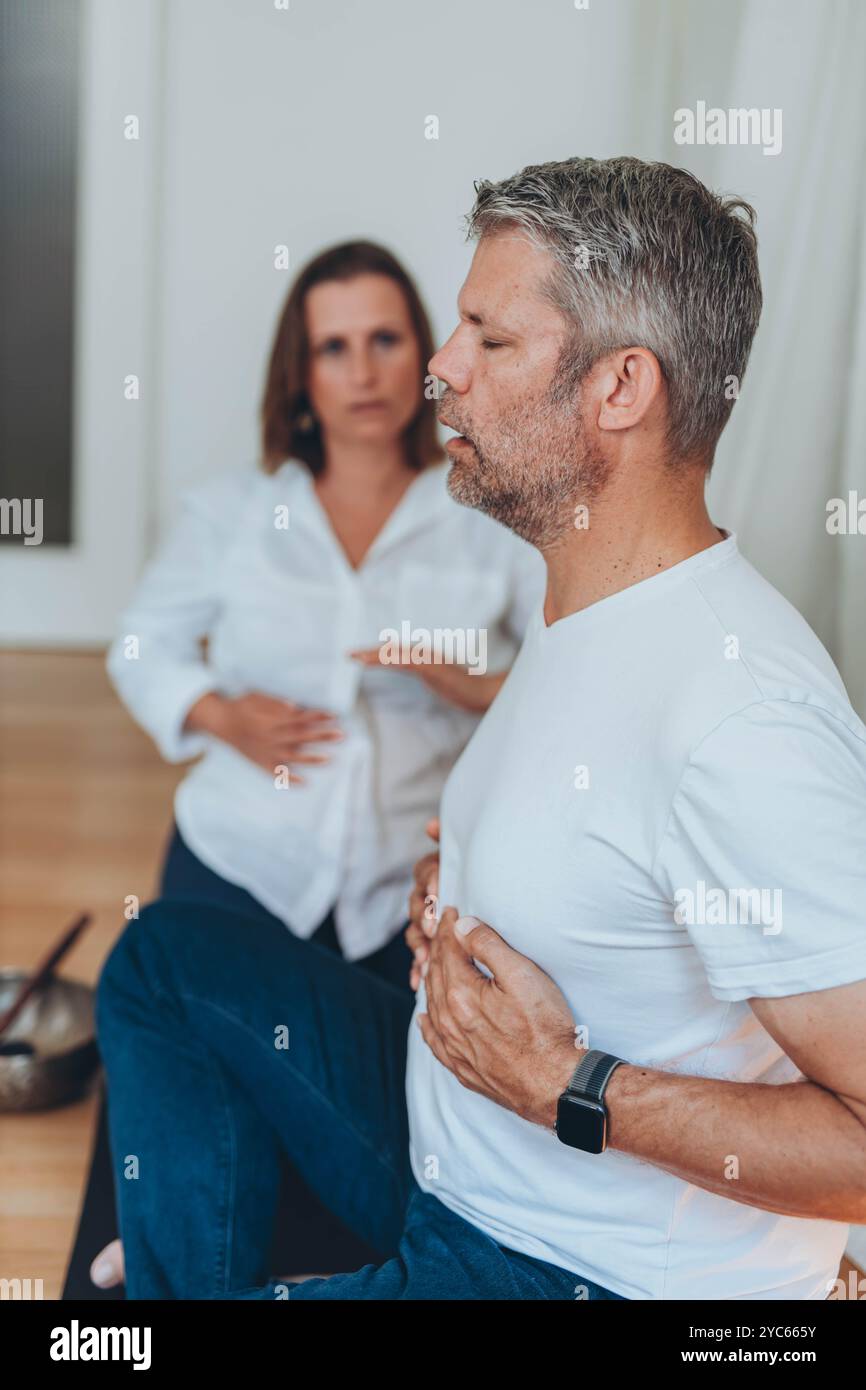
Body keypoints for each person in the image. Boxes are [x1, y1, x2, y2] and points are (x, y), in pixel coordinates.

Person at [96, 157, 866, 1300]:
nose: (438, 370)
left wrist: (570, 1083)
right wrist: (463, 878)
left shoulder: (743, 721)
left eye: (485, 340)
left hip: (555, 1261)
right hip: (444, 1135)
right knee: (163, 956)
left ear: (618, 390)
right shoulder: (579, 598)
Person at [87, 239, 542, 1290]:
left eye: (385, 338)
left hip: (399, 895)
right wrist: (216, 711)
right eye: (331, 347)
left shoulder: (485, 516)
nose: (364, 368)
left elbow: (554, 680)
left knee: (339, 1096)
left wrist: (458, 674)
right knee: (208, 1033)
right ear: (298, 374)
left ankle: (169, 1221)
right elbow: (142, 644)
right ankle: (188, 1215)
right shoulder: (235, 513)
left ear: (424, 354)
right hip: (243, 859)